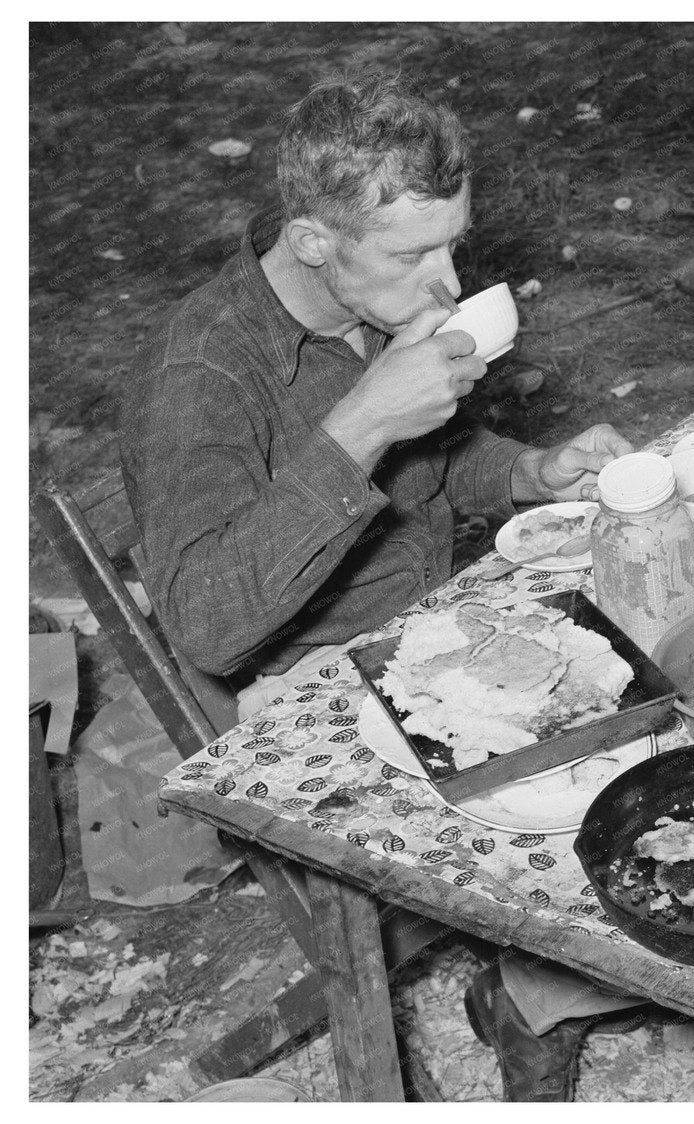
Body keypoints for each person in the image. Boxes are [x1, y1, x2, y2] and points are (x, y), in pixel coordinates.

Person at [120, 70, 646, 1101]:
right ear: (312, 240)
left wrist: (532, 471)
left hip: (432, 630)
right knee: (597, 795)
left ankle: (542, 985)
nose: (447, 283)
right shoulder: (203, 373)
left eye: (454, 244)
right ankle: (542, 996)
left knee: (656, 661)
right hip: (300, 692)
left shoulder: (360, 298)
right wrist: (360, 421)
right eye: (414, 255)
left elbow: (432, 464)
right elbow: (209, 625)